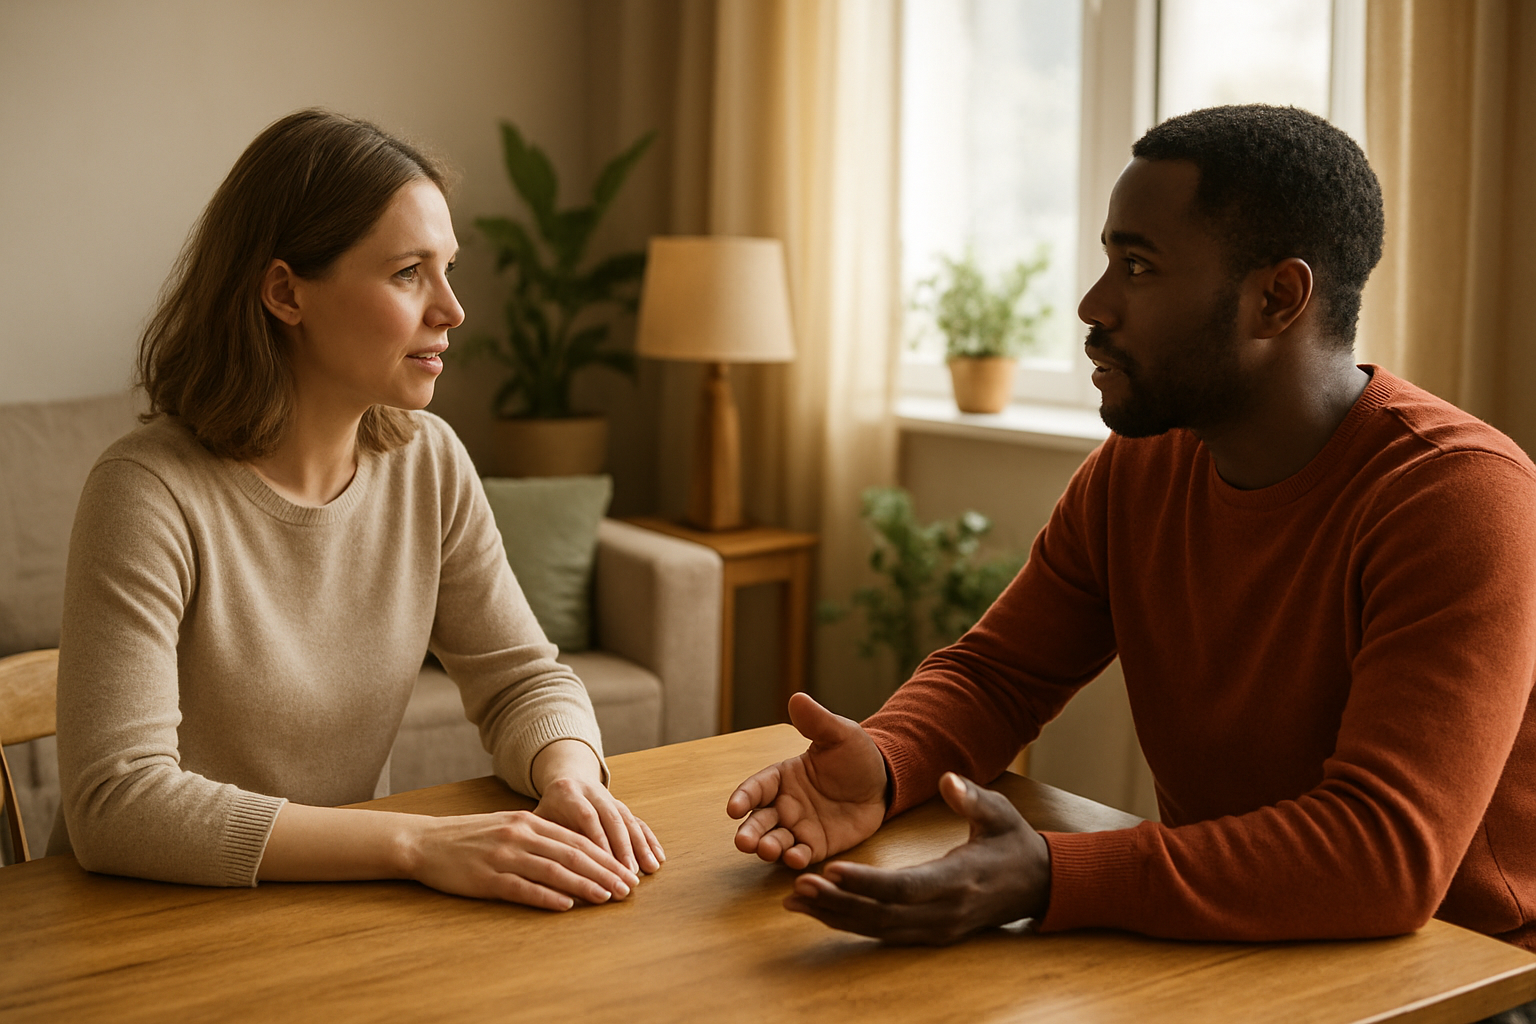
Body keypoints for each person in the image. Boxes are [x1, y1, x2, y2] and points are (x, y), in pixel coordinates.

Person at [728, 105, 1536, 966]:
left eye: (1137, 266)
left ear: (1278, 298)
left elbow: (1384, 856)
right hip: (1231, 939)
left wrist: (1047, 873)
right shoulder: (1140, 468)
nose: (1092, 303)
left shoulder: (1456, 497)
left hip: (1463, 971)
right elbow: (1001, 672)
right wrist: (888, 761)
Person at [51, 109, 663, 912]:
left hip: (331, 909)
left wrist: (570, 777)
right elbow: (118, 803)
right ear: (285, 292)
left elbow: (521, 681)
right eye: (409, 271)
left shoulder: (429, 461)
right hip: (146, 920)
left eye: (448, 268)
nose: (452, 309)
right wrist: (418, 843)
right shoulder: (146, 492)